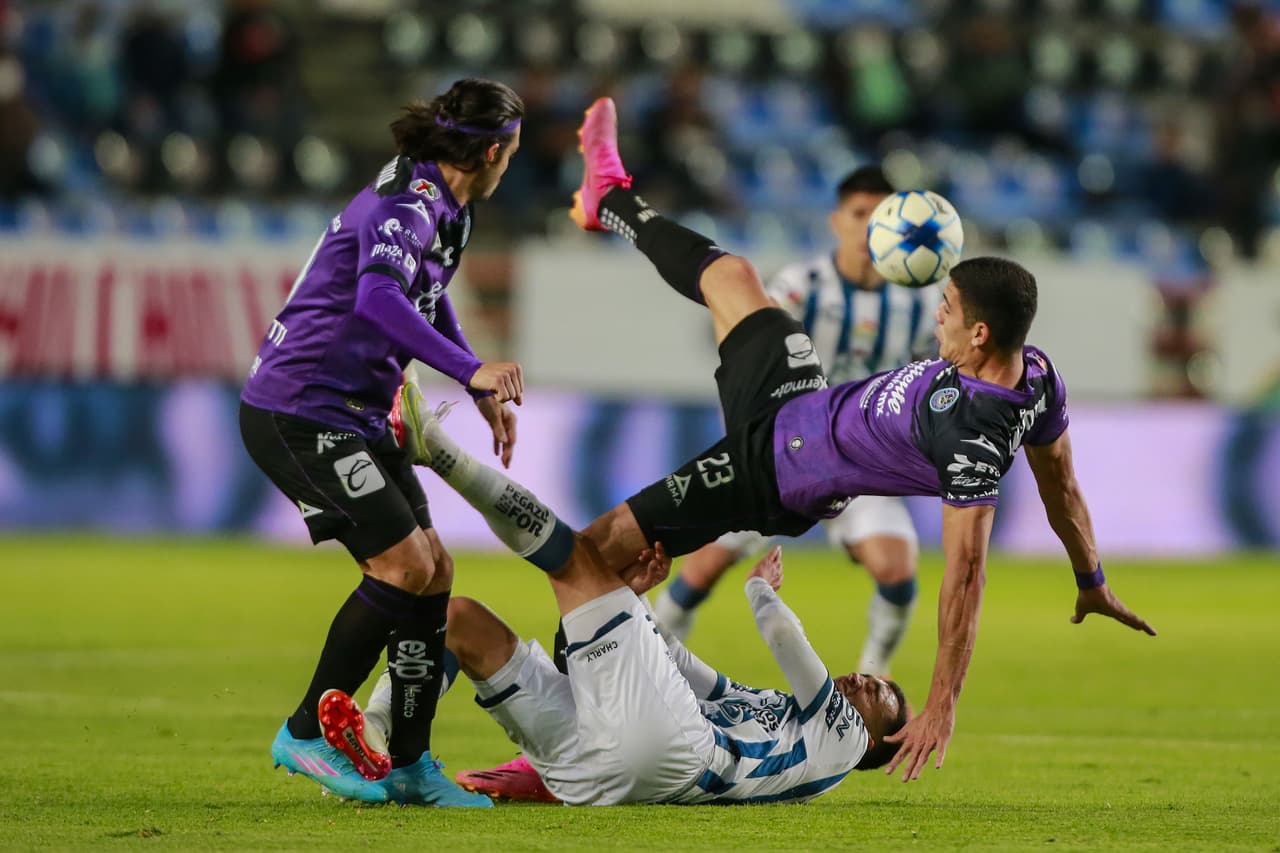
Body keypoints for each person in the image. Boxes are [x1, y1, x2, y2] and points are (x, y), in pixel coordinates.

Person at [397, 96, 1157, 787]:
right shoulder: (1038, 375)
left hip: (772, 472)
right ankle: (611, 198)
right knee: (731, 275)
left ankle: (520, 742)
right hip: (800, 400)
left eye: (949, 311)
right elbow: (1062, 480)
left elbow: (965, 575)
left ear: (981, 332)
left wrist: (941, 702)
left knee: (588, 551)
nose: (938, 318)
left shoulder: (973, 439)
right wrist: (1088, 571)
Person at [237, 77, 525, 806]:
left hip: (356, 411)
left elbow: (424, 295)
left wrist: (474, 383)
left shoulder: (446, 207)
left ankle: (409, 764)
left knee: (433, 569)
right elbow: (377, 296)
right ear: (492, 151)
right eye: (511, 152)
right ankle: (305, 730)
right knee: (401, 564)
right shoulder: (408, 203)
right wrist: (470, 366)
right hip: (300, 408)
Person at [339, 531, 907, 804]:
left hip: (679, 756)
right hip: (597, 773)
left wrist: (759, 589)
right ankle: (378, 733)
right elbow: (680, 667)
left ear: (877, 739)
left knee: (578, 556)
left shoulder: (845, 742)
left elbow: (784, 635)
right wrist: (632, 604)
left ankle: (444, 455)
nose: (867, 679)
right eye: (878, 677)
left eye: (881, 693)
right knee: (460, 621)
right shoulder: (778, 715)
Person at [653, 165, 940, 678]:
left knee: (898, 571)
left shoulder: (917, 304)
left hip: (862, 461)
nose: (869, 225)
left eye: (882, 216)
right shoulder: (802, 285)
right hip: (784, 451)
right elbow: (749, 342)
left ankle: (873, 682)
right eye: (859, 214)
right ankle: (648, 664)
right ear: (836, 220)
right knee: (702, 569)